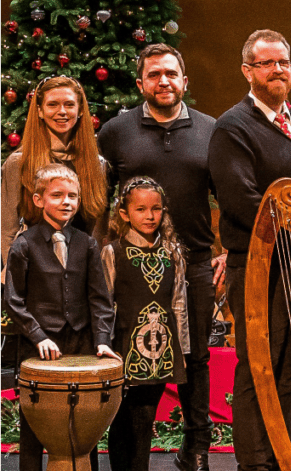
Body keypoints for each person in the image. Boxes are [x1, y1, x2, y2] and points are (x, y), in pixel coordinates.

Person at [208, 29, 291, 471]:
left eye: (283, 61)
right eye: (266, 63)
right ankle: (255, 464)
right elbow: (242, 200)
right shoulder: (233, 127)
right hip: (260, 268)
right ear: (248, 71)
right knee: (257, 369)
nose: (277, 70)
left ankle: (281, 457)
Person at [97, 43, 220, 471]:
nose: (163, 81)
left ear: (185, 81)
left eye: (171, 73)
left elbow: (227, 197)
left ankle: (196, 451)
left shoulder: (212, 130)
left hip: (197, 263)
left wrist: (225, 252)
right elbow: (100, 200)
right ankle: (131, 457)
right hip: (134, 269)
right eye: (154, 75)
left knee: (197, 356)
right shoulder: (115, 131)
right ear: (140, 84)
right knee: (131, 358)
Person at [3, 164, 116, 471]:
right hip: (37, 345)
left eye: (72, 196)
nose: (67, 202)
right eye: (57, 195)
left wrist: (102, 340)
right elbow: (12, 300)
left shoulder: (87, 243)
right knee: (34, 425)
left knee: (82, 422)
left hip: (79, 342)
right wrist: (38, 335)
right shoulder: (24, 245)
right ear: (39, 200)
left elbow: (100, 299)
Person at [103, 177, 189, 471]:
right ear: (125, 214)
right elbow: (104, 305)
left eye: (156, 209)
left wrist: (183, 351)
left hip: (161, 351)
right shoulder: (113, 252)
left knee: (145, 420)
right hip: (124, 350)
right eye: (141, 209)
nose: (150, 216)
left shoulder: (173, 252)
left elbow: (179, 303)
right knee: (121, 419)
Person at [2, 76, 106, 267]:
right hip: (33, 270)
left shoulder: (96, 165)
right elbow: (7, 229)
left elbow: (97, 231)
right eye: (53, 105)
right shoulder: (19, 162)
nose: (62, 112)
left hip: (79, 271)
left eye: (69, 104)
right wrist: (15, 275)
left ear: (80, 110)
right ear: (40, 111)